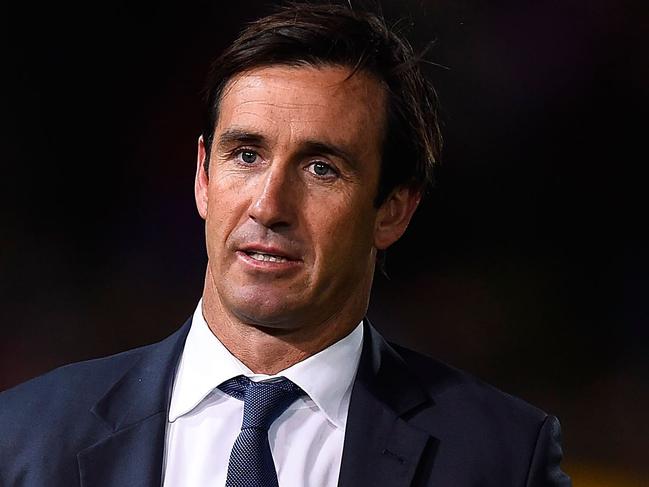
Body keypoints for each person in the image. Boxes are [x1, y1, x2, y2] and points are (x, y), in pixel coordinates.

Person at [0, 3, 572, 486]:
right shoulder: (23, 437)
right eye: (246, 155)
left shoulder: (502, 459)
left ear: (393, 209)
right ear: (203, 176)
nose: (269, 206)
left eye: (322, 168)